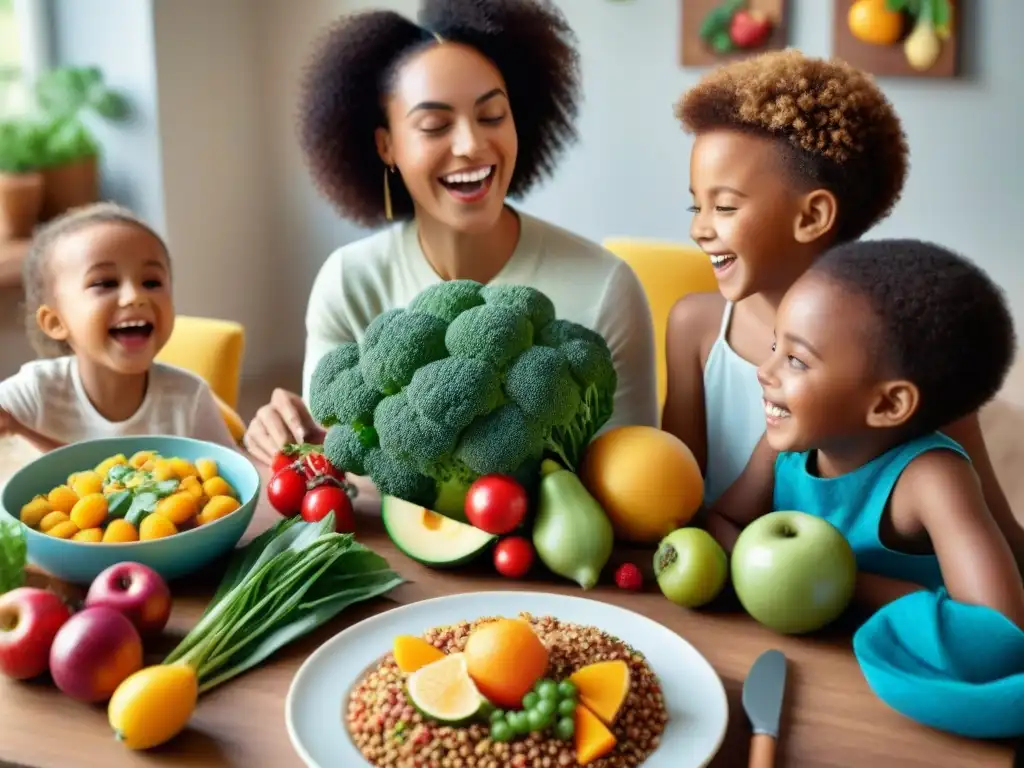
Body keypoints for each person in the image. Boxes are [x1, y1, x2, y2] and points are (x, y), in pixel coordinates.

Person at [243, 0, 658, 466]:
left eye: (493, 116)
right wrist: (289, 432)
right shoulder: (348, 282)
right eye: (435, 125)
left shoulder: (606, 287)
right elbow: (335, 463)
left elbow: (637, 486)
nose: (471, 145)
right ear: (386, 145)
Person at [663, 49, 1024, 569]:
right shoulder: (695, 327)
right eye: (696, 206)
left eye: (724, 207)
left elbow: (995, 533)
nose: (700, 227)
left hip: (860, 621)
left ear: (812, 215)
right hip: (730, 589)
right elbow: (675, 502)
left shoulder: (908, 350)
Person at [706, 239, 1024, 628]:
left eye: (795, 360)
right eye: (775, 345)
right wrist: (762, 569)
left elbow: (1000, 624)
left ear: (888, 405)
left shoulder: (931, 478)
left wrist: (837, 582)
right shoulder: (786, 451)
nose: (765, 371)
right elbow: (721, 518)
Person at [0, 202, 237, 452]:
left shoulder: (189, 398)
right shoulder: (35, 390)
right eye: (105, 282)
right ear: (56, 322)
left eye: (151, 282)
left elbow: (238, 478)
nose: (135, 296)